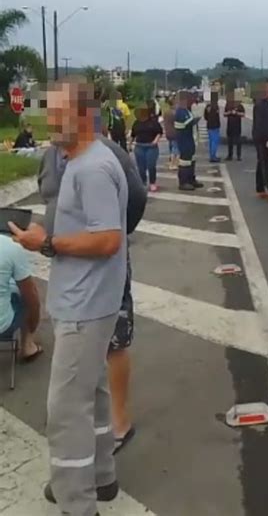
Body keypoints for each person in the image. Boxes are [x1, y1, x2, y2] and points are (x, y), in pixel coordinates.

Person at [9, 78, 128, 515]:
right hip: (89, 300)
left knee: (64, 411)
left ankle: (76, 502)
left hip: (85, 304)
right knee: (90, 395)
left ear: (80, 116)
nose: (46, 119)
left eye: (54, 112)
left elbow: (109, 239)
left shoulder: (92, 168)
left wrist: (46, 243)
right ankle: (101, 478)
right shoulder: (78, 160)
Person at [37, 125, 146, 457]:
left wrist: (109, 232)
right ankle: (97, 461)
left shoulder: (108, 155)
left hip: (103, 266)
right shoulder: (51, 156)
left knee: (114, 341)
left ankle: (119, 422)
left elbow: (136, 198)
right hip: (66, 264)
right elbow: (47, 195)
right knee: (80, 356)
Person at [0, 229, 42, 361]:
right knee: (26, 294)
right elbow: (31, 297)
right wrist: (33, 323)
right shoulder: (9, 247)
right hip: (3, 328)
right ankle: (28, 346)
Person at [175, 91, 203, 191]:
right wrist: (196, 119)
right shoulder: (181, 111)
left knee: (191, 161)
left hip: (190, 139)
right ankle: (183, 182)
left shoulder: (186, 110)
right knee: (185, 162)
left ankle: (191, 179)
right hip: (184, 140)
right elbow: (188, 123)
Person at [131, 104, 163, 192]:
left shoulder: (153, 121)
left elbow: (159, 132)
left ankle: (152, 182)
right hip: (139, 146)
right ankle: (143, 182)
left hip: (151, 147)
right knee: (141, 167)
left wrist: (155, 141)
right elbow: (133, 135)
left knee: (151, 165)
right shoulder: (136, 122)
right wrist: (130, 144)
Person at [224, 92, 245, 161]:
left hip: (237, 126)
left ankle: (239, 155)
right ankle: (230, 155)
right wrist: (229, 112)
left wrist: (236, 113)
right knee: (230, 141)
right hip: (230, 126)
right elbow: (224, 114)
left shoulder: (240, 106)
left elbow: (243, 114)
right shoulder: (228, 105)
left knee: (238, 141)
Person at [204, 93, 221, 163]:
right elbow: (217, 115)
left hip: (209, 125)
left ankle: (212, 156)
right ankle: (213, 157)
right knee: (215, 142)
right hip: (215, 126)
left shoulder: (208, 106)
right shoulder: (215, 106)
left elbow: (205, 116)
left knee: (211, 142)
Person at [163, 97, 179, 170]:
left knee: (171, 147)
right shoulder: (175, 113)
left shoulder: (166, 112)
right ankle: (173, 164)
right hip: (175, 132)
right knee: (175, 148)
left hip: (168, 132)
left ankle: (171, 161)